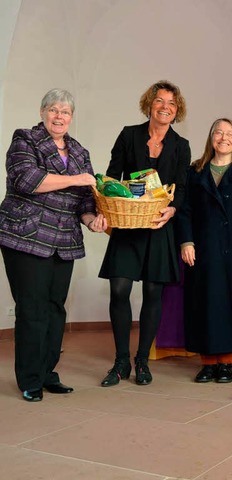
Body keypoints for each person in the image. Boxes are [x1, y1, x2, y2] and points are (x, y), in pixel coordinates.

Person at [0, 88, 107, 402]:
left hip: (64, 240)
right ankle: (30, 380)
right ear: (43, 112)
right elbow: (27, 180)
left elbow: (86, 201)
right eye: (54, 110)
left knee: (55, 309)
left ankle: (48, 374)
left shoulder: (80, 152)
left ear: (72, 117)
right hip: (26, 235)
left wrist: (92, 221)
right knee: (32, 309)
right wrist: (77, 179)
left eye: (65, 112)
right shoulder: (25, 139)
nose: (59, 116)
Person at [99, 80, 190, 387]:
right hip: (128, 225)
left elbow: (181, 187)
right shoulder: (128, 135)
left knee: (153, 294)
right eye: (160, 101)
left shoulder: (181, 145)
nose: (165, 107)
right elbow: (113, 176)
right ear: (149, 104)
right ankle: (121, 361)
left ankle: (141, 361)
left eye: (172, 104)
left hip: (159, 228)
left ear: (177, 111)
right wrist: (109, 203)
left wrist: (172, 209)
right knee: (119, 290)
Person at [176, 118, 232, 384]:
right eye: (218, 132)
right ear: (211, 137)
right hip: (204, 248)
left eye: (230, 133)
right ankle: (207, 362)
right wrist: (186, 241)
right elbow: (184, 209)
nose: (224, 137)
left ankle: (227, 363)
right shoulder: (195, 170)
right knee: (205, 303)